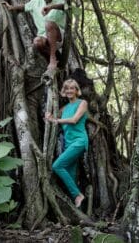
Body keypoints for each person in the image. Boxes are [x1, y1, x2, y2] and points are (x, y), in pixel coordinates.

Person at [4, 0, 65, 70]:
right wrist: (11, 7)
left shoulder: (59, 1)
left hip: (58, 35)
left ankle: (52, 59)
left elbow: (67, 6)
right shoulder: (36, 1)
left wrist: (51, 7)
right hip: (45, 37)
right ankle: (57, 58)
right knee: (37, 42)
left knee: (49, 23)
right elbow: (24, 7)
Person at [45, 79, 88, 207]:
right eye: (66, 88)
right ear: (64, 91)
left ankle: (78, 195)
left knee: (57, 166)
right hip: (68, 144)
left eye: (72, 88)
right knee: (71, 175)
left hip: (79, 141)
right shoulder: (64, 108)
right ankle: (78, 211)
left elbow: (74, 120)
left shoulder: (82, 103)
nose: (69, 90)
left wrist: (56, 120)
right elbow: (52, 118)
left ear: (76, 90)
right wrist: (48, 116)